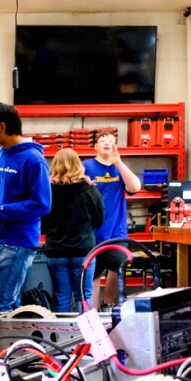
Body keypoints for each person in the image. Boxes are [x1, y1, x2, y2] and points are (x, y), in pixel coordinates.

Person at [0, 102, 51, 311]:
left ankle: (8, 344)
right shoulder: (1, 153)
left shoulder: (34, 160)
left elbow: (42, 204)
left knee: (2, 304)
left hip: (17, 243)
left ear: (2, 127)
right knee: (1, 301)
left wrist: (1, 210)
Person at [82, 131, 141, 308]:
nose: (107, 143)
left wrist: (118, 162)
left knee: (117, 267)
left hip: (116, 232)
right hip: (91, 233)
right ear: (95, 147)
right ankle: (93, 313)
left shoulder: (119, 168)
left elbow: (135, 187)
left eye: (111, 141)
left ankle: (108, 306)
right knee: (93, 275)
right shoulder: (86, 166)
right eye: (102, 140)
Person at [42, 149, 104, 312]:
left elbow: (42, 225)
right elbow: (99, 220)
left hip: (56, 252)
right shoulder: (90, 190)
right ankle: (84, 336)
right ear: (79, 165)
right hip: (83, 251)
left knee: (61, 296)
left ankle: (64, 337)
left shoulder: (47, 191)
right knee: (84, 296)